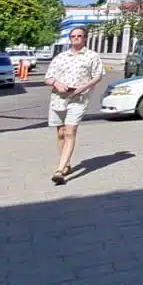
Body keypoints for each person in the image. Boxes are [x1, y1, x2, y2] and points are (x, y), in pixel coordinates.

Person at [43, 27, 103, 184]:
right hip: (58, 98)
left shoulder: (92, 56)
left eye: (79, 36)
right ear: (70, 38)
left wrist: (84, 87)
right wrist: (56, 83)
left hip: (78, 99)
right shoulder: (61, 57)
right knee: (61, 132)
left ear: (85, 38)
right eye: (73, 36)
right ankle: (66, 163)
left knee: (70, 131)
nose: (76, 38)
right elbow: (48, 77)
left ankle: (59, 170)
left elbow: (98, 76)